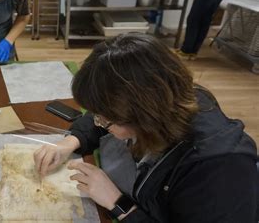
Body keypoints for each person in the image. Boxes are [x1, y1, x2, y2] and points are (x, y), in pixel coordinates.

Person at [34, 34, 258, 222]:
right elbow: (102, 113)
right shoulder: (167, 95)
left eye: (105, 121)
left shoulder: (218, 171)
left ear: (144, 117)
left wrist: (118, 203)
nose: (98, 123)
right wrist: (68, 143)